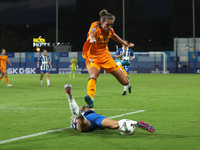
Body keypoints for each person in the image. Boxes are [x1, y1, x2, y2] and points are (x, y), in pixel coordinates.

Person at [82, 9, 134, 108]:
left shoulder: (109, 30)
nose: (109, 27)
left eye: (111, 25)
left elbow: (114, 35)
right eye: (107, 25)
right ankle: (91, 98)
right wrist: (92, 39)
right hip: (93, 58)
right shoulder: (95, 26)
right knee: (93, 75)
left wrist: (124, 43)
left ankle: (119, 63)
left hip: (106, 58)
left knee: (125, 82)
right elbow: (92, 33)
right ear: (102, 22)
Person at [64, 84, 155, 133]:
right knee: (115, 124)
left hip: (88, 119)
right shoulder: (90, 112)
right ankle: (135, 123)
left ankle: (69, 95)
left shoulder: (76, 118)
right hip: (95, 117)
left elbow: (80, 118)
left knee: (81, 119)